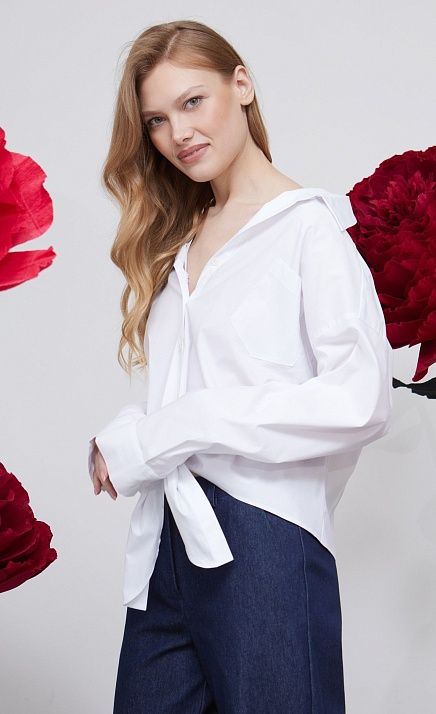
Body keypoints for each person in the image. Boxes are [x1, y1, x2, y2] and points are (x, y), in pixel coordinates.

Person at [88, 18, 393, 714]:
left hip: (264, 538)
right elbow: (193, 388)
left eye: (193, 101)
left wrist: (179, 427)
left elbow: (361, 398)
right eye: (157, 120)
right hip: (168, 539)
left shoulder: (309, 228)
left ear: (242, 85)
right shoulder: (182, 241)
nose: (178, 133)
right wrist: (130, 434)